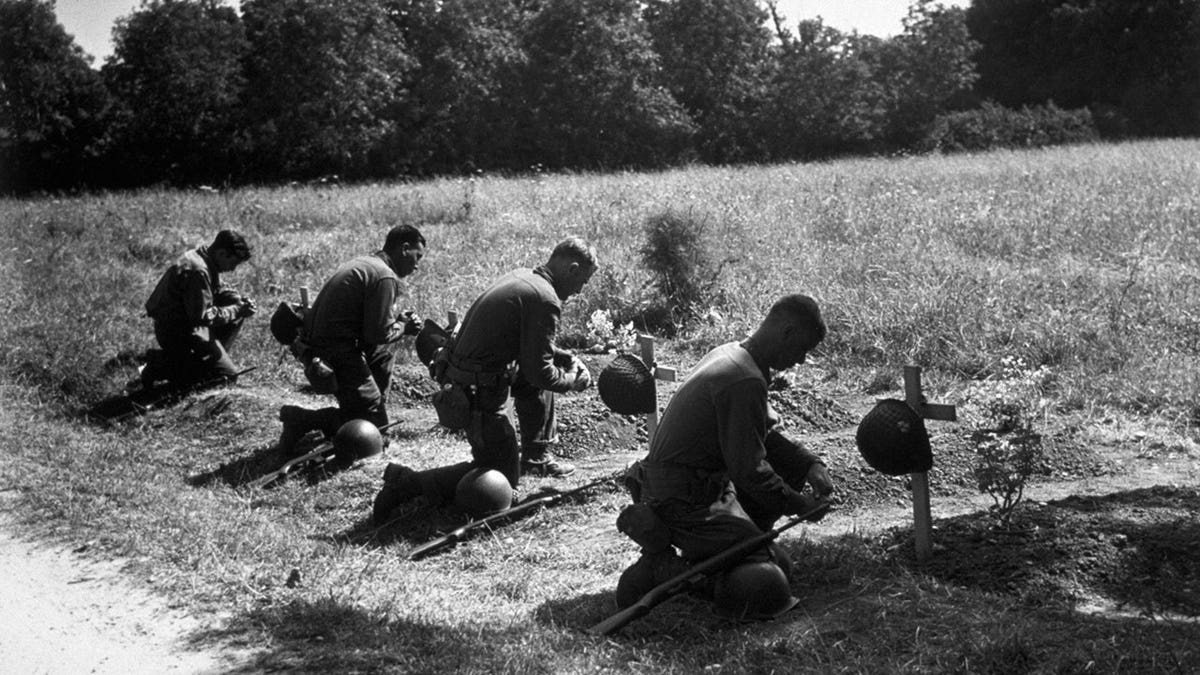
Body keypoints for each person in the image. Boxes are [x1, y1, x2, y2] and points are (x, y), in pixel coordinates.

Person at [618, 294, 835, 611]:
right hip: (683, 499)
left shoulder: (734, 355)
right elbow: (749, 470)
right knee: (763, 578)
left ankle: (716, 549)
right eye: (802, 350)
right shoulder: (743, 379)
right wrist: (800, 505)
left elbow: (759, 435)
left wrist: (809, 464)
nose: (801, 360)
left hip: (689, 485)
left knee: (775, 564)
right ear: (787, 332)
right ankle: (666, 570)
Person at [371, 237, 597, 525]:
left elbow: (527, 346)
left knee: (527, 392)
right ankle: (407, 484)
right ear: (573, 269)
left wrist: (563, 356)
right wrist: (572, 381)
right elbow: (540, 371)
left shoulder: (525, 278)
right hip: (477, 391)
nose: (580, 290)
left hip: (469, 378)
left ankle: (535, 456)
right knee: (498, 481)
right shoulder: (545, 298)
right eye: (583, 281)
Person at [276, 224, 426, 455]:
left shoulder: (366, 263)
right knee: (372, 433)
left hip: (325, 344)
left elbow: (370, 328)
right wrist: (404, 327)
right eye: (417, 256)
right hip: (336, 350)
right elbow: (376, 334)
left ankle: (361, 405)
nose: (417, 265)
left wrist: (395, 322)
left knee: (383, 355)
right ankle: (303, 419)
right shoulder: (385, 276)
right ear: (404, 248)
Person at [141, 229, 256, 389]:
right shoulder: (198, 271)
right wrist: (237, 309)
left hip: (187, 324)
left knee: (235, 306)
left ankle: (203, 361)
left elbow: (215, 287)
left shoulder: (203, 258)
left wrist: (236, 300)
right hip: (176, 332)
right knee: (226, 377)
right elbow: (203, 317)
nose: (233, 269)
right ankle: (160, 365)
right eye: (233, 263)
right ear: (222, 253)